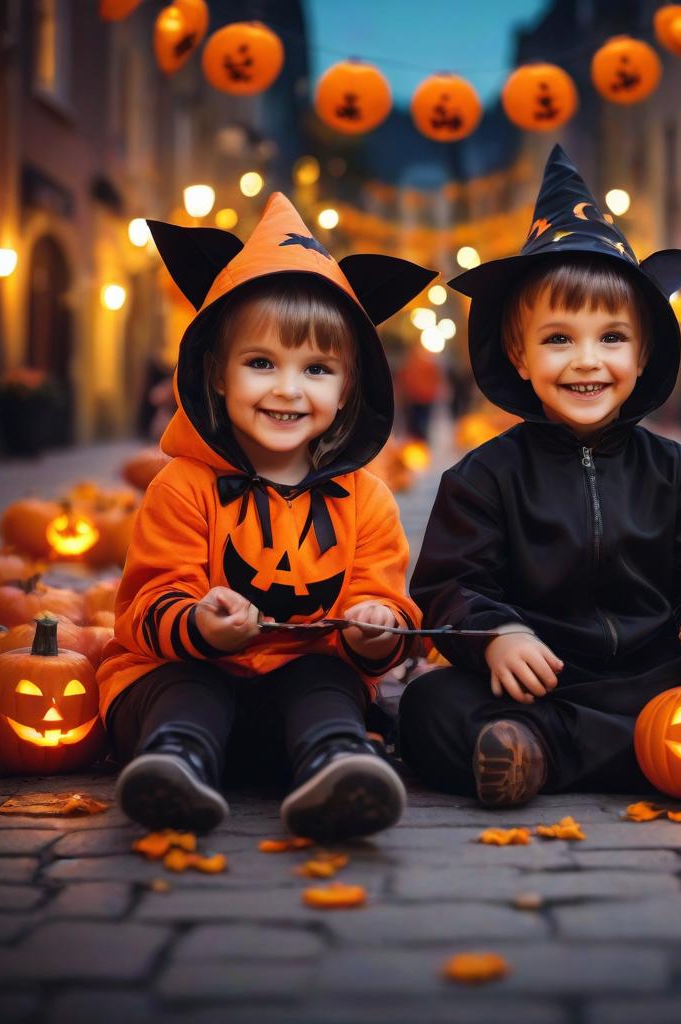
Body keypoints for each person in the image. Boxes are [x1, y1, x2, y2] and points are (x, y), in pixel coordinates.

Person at [399, 146, 681, 805]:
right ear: (520, 354)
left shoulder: (674, 471)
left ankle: (553, 757)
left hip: (655, 679)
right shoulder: (484, 477)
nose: (586, 361)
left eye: (612, 339)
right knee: (427, 703)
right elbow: (451, 587)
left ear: (644, 351)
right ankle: (579, 751)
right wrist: (497, 636)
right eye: (559, 339)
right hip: (541, 683)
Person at [97, 192, 436, 839]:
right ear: (217, 375)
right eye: (261, 363)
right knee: (185, 687)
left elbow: (381, 595)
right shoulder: (184, 485)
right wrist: (197, 621)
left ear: (345, 392)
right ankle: (175, 766)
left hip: (294, 706)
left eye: (315, 369)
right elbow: (146, 602)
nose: (287, 388)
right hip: (186, 679)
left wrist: (376, 627)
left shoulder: (366, 497)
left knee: (324, 680)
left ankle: (336, 765)